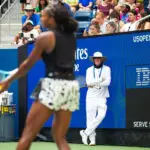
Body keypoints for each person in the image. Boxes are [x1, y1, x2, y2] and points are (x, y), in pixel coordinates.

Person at [0, 4, 79, 150]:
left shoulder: (45, 37)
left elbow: (27, 65)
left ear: (51, 19)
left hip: (53, 84)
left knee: (28, 134)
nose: (40, 18)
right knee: (60, 137)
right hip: (71, 87)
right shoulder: (71, 37)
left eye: (43, 15)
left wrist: (8, 80)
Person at [80, 51, 111, 146]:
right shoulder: (89, 70)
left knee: (101, 115)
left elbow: (107, 82)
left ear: (101, 60)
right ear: (93, 60)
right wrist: (100, 80)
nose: (97, 60)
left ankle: (85, 133)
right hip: (91, 97)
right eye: (95, 58)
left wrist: (94, 83)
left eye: (98, 58)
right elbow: (88, 82)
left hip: (102, 97)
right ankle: (92, 140)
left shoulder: (107, 69)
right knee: (90, 118)